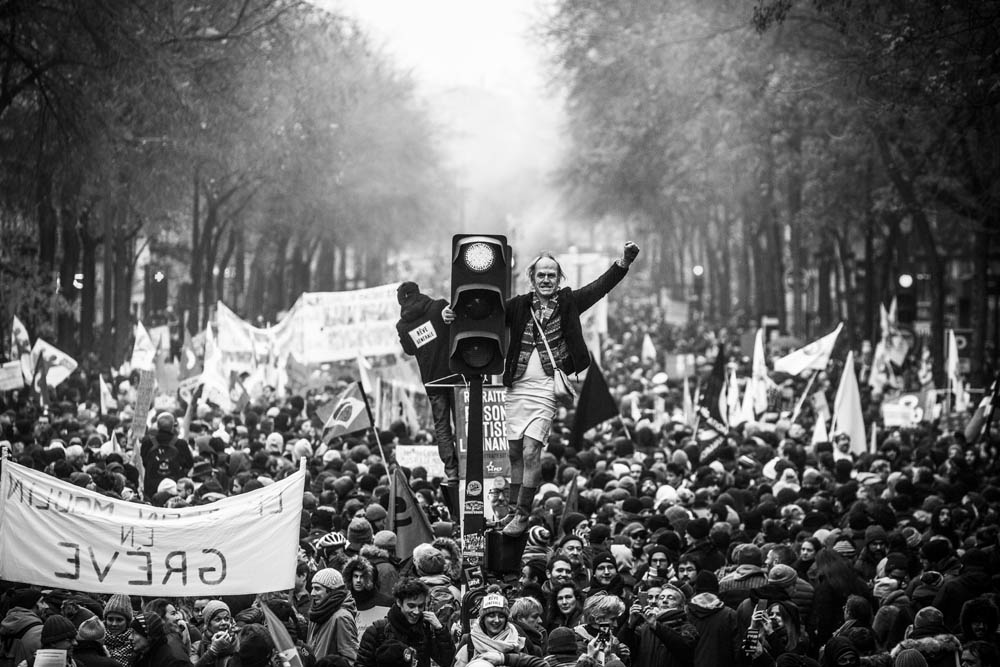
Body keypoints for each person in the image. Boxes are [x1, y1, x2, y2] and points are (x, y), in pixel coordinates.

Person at [501, 241, 640, 536]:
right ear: (532, 278)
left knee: (530, 452)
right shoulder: (517, 306)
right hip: (516, 388)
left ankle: (523, 514)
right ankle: (512, 510)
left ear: (559, 278)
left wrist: (623, 262)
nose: (547, 280)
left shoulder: (569, 303)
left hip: (544, 389)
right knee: (514, 453)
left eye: (552, 275)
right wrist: (451, 314)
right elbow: (486, 315)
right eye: (541, 275)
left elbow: (600, 287)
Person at [396, 281, 459, 484]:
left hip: (433, 381)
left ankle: (452, 471)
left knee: (442, 426)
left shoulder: (403, 326)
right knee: (463, 423)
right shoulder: (438, 307)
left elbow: (409, 350)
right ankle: (468, 462)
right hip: (456, 375)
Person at [355, 578, 454, 667]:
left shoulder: (425, 628)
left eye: (420, 606)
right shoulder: (377, 630)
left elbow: (447, 661)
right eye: (411, 606)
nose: (416, 611)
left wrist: (440, 630)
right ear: (399, 602)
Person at [453, 586, 545, 667]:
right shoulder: (469, 641)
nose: (496, 620)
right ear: (483, 619)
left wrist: (505, 659)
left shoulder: (519, 640)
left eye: (501, 616)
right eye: (491, 615)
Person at [305, 568, 359, 663]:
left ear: (331, 591)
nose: (312, 593)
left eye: (317, 588)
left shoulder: (342, 617)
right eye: (312, 588)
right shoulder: (316, 613)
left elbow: (350, 658)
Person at [139, 412, 194, 499]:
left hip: (151, 489)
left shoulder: (147, 442)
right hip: (175, 489)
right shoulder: (181, 444)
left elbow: (144, 462)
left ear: (157, 426)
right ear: (173, 426)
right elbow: (189, 464)